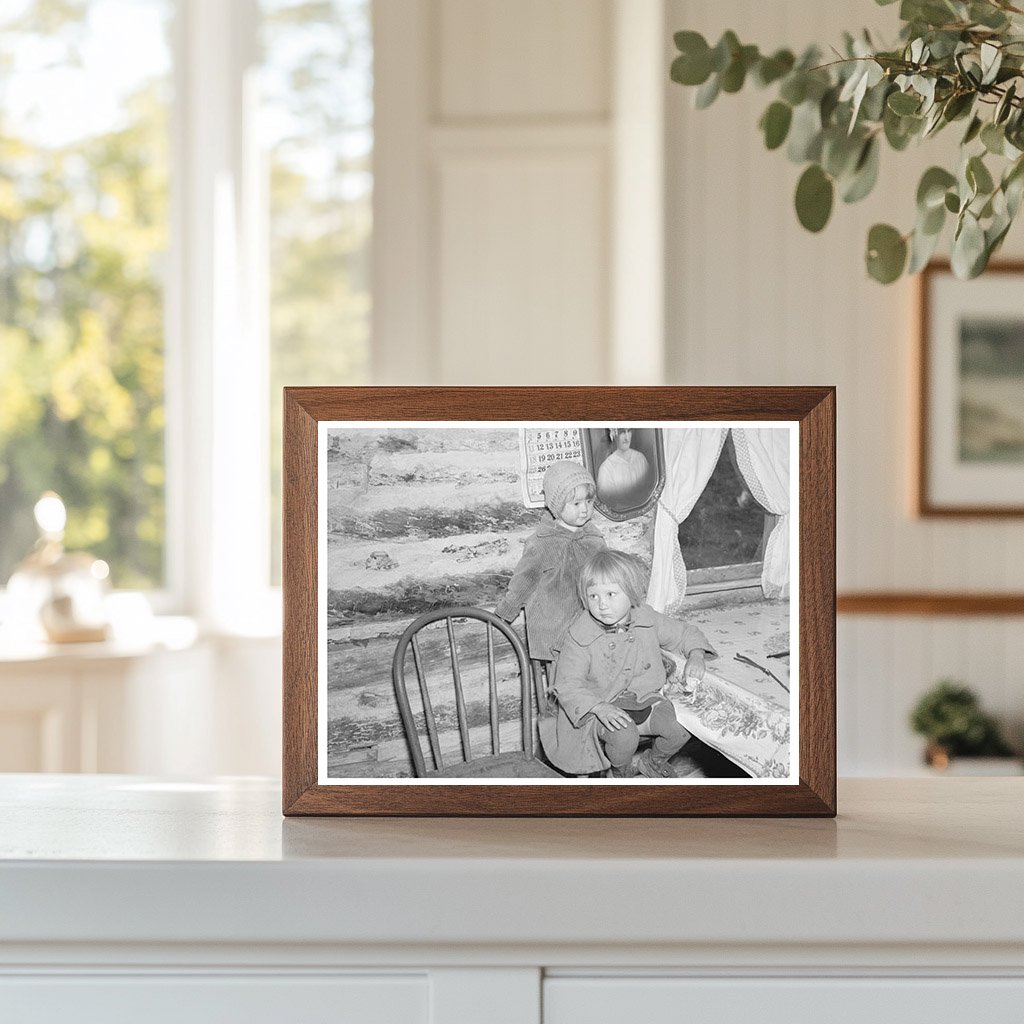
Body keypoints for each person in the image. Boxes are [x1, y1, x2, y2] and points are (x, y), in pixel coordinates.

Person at [540, 550, 716, 778]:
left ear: (631, 592)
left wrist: (696, 654)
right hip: (599, 706)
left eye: (611, 594)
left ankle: (652, 761)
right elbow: (567, 684)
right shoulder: (580, 636)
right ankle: (620, 772)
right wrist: (599, 708)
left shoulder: (646, 618)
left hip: (645, 699)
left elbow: (683, 632)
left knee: (682, 729)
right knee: (624, 736)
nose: (602, 604)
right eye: (593, 596)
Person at [494, 461, 607, 663]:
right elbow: (523, 581)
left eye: (589, 502)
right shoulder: (542, 543)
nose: (584, 510)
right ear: (557, 504)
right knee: (563, 685)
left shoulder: (595, 540)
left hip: (592, 630)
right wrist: (505, 613)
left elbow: (610, 576)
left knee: (591, 681)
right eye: (576, 504)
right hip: (554, 632)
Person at [596, 427, 649, 500]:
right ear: (613, 435)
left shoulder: (640, 458)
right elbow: (607, 502)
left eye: (629, 431)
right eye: (622, 432)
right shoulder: (606, 468)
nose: (627, 438)